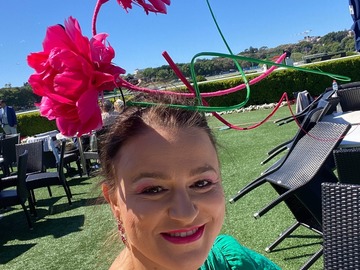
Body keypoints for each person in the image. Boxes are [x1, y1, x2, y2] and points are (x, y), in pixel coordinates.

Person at [100, 95, 281, 270]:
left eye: (201, 183)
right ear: (114, 202)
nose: (185, 214)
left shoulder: (235, 263)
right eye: (153, 189)